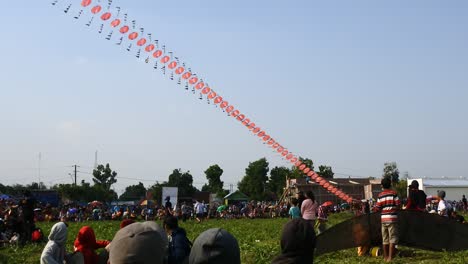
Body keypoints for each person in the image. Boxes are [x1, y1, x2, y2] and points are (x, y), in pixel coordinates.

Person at [375, 177, 400, 262]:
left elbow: (377, 208)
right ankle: (390, 258)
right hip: (392, 218)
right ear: (390, 184)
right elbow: (398, 205)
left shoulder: (380, 195)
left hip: (383, 219)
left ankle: (385, 257)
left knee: (385, 239)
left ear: (382, 185)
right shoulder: (394, 193)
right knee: (392, 239)